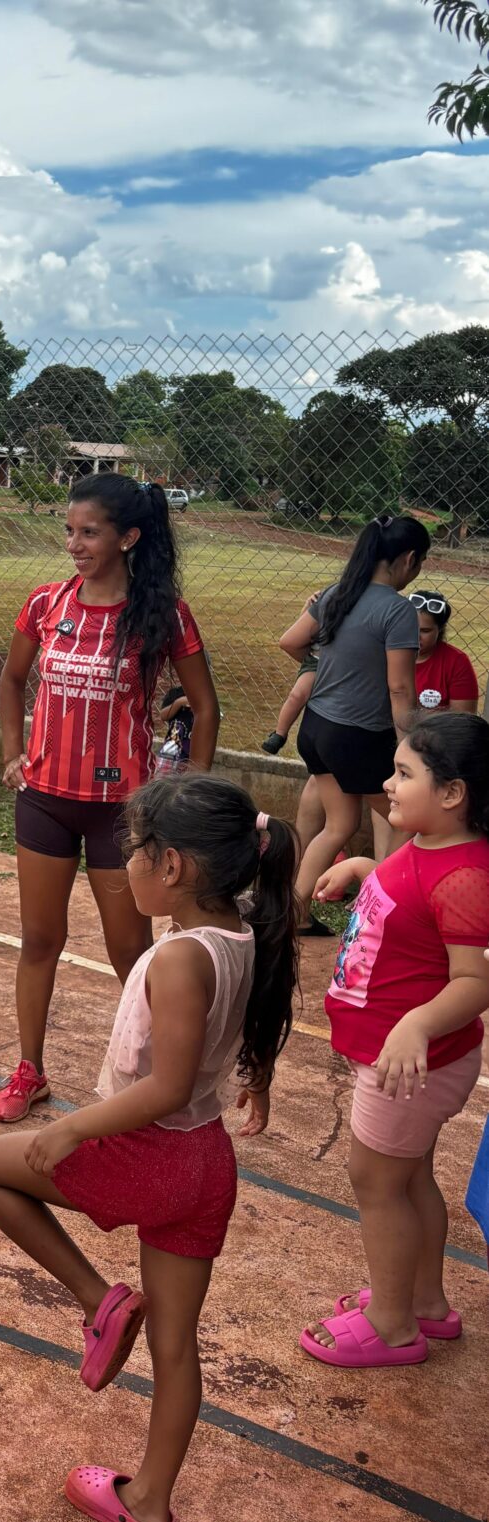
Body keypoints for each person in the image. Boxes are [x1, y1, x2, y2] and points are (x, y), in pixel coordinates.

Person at [0, 774, 298, 1522]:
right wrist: (262, 1078)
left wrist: (75, 1127)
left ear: (172, 866)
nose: (123, 864)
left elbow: (167, 1085)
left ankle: (97, 1298)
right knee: (177, 1346)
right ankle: (148, 1505)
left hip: (151, 1153)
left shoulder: (181, 957)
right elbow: (245, 1026)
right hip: (206, 1164)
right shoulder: (244, 930)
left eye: (134, 851)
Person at [0, 474, 220, 1122]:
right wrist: (13, 753)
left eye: (88, 532)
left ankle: (162, 1076)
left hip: (122, 813)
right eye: (69, 530)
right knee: (40, 938)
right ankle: (29, 1069)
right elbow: (11, 681)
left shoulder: (162, 615)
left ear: (128, 537)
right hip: (44, 801)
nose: (74, 543)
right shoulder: (46, 603)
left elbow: (205, 707)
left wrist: (190, 793)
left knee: (132, 952)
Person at [301, 713, 489, 1369]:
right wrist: (362, 866)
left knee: (376, 1179)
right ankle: (426, 1302)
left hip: (409, 1062)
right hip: (406, 1058)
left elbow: (472, 980)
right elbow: (412, 889)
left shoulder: (464, 873)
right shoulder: (429, 843)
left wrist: (415, 1023)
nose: (388, 782)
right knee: (410, 1179)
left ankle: (391, 1321)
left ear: (452, 793)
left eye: (404, 773)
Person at [282, 514, 428, 936]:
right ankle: (380, 918)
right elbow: (400, 688)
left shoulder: (336, 594)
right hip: (359, 737)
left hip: (317, 729)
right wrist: (409, 749)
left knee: (339, 827)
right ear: (409, 559)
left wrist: (327, 668)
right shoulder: (398, 610)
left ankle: (291, 914)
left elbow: (291, 641)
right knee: (411, 821)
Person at [367, 589, 479, 862]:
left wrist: (412, 718)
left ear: (440, 631)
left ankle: (386, 876)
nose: (416, 637)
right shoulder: (389, 654)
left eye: (426, 630)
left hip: (432, 753)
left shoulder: (456, 663)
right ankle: (381, 871)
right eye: (411, 628)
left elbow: (461, 718)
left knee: (413, 800)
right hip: (389, 742)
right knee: (382, 798)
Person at [260, 595, 320, 755]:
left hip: (341, 661)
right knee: (297, 695)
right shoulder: (329, 597)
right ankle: (280, 733)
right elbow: (301, 629)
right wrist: (308, 605)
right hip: (316, 660)